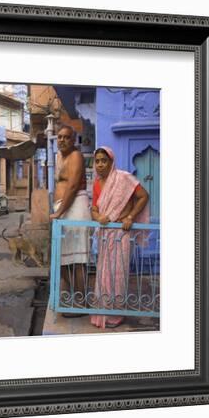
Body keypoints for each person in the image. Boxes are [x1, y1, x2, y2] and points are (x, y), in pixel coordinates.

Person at [90, 146, 149, 329]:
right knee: (103, 273)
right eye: (97, 161)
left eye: (104, 160)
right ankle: (102, 312)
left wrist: (131, 216)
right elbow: (94, 209)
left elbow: (143, 196)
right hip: (106, 235)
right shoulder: (97, 184)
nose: (100, 164)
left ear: (111, 161)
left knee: (117, 273)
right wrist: (99, 217)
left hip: (121, 234)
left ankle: (115, 315)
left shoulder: (123, 178)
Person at [49, 125, 90, 316]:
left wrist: (59, 212)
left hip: (74, 208)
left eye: (67, 137)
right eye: (59, 137)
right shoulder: (59, 157)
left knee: (77, 259)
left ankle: (81, 302)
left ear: (73, 140)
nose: (62, 140)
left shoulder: (76, 156)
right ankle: (75, 298)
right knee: (64, 260)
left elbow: (72, 186)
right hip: (62, 209)